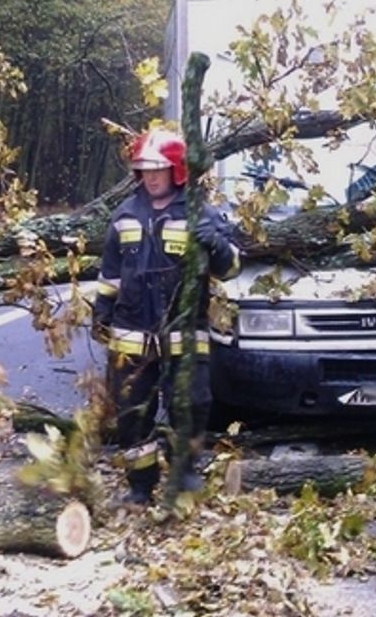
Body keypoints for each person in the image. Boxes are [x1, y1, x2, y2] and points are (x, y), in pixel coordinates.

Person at [92, 128, 239, 506]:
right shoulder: (124, 216)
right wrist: (101, 314)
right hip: (132, 337)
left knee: (190, 405)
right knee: (131, 417)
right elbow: (109, 275)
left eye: (158, 168)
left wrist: (217, 245)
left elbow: (232, 268)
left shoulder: (199, 214)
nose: (151, 176)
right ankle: (140, 487)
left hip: (184, 335)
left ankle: (183, 472)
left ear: (176, 170)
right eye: (144, 169)